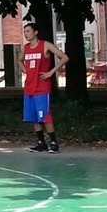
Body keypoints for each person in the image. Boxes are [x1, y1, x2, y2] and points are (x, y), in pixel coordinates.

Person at [22, 22, 69, 153]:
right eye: (24, 32)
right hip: (29, 86)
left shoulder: (45, 45)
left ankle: (53, 143)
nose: (26, 34)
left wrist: (51, 72)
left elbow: (64, 57)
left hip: (42, 87)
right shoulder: (26, 48)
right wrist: (25, 70)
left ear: (35, 32)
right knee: (33, 117)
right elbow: (19, 60)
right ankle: (41, 143)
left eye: (28, 31)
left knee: (45, 115)